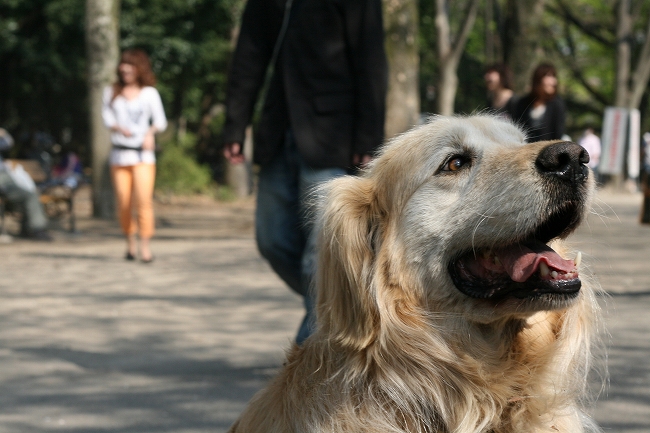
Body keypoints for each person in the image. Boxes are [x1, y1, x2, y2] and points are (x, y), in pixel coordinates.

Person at [222, 0, 388, 344]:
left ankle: (311, 355)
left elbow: (370, 59)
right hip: (277, 133)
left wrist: (368, 136)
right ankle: (342, 306)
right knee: (271, 240)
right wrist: (235, 126)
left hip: (333, 136)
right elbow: (248, 58)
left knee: (319, 255)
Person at [102, 49, 167, 263]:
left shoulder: (149, 93)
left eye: (130, 65)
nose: (125, 69)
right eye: (123, 65)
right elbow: (106, 118)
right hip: (120, 156)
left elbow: (160, 121)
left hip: (143, 157)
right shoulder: (111, 92)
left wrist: (150, 133)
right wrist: (118, 128)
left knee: (143, 201)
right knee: (123, 202)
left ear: (139, 68)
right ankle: (130, 244)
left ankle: (145, 247)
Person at [0, 128, 51, 241]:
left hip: (7, 179)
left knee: (31, 192)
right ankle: (36, 228)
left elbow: (7, 143)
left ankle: (28, 228)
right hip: (3, 182)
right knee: (30, 195)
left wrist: (3, 133)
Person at [512, 63, 566, 143]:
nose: (553, 82)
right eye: (548, 76)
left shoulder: (557, 104)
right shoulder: (523, 103)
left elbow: (558, 134)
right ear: (538, 79)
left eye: (553, 76)